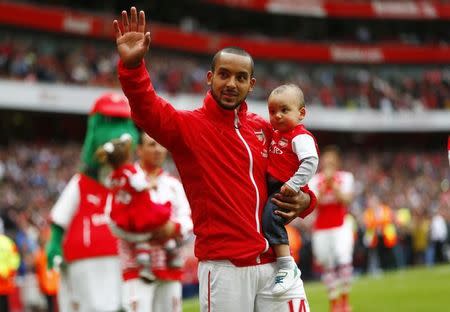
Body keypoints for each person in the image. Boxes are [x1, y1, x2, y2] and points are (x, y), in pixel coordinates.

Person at [114, 7, 317, 312]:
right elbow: (148, 110)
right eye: (224, 74)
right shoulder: (188, 127)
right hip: (224, 270)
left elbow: (282, 177)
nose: (231, 83)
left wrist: (307, 200)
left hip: (277, 266)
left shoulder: (264, 129)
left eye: (240, 77)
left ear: (252, 84)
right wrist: (133, 68)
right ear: (210, 78)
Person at [46, 92, 140, 312]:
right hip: (85, 259)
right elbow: (59, 220)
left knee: (128, 305)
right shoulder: (81, 183)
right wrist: (54, 246)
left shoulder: (132, 180)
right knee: (96, 306)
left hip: (125, 256)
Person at [119, 132, 193, 312]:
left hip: (170, 265)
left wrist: (173, 228)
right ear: (139, 150)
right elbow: (114, 220)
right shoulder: (126, 181)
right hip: (137, 267)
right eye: (152, 145)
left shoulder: (173, 184)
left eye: (161, 145)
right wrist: (143, 230)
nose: (158, 150)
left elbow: (188, 219)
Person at [262, 84, 318, 295]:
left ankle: (287, 265)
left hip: (286, 187)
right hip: (276, 184)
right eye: (272, 111)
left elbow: (310, 162)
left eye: (284, 110)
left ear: (301, 113)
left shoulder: (299, 136)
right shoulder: (277, 134)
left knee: (271, 216)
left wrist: (294, 185)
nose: (277, 116)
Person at [96, 133, 172, 282]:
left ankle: (144, 263)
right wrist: (151, 184)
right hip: (139, 210)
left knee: (139, 239)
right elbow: (140, 184)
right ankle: (170, 248)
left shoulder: (112, 176)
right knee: (157, 220)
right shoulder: (130, 171)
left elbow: (109, 187)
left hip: (123, 213)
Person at [309, 146, 355, 312]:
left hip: (340, 225)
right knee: (326, 264)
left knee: (344, 260)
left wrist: (334, 186)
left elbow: (346, 200)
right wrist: (324, 186)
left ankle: (345, 299)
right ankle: (333, 302)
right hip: (321, 228)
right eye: (326, 161)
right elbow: (315, 204)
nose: (328, 164)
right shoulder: (315, 180)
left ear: (337, 163)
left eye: (331, 161)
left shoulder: (345, 178)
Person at [0, 233, 20, 312]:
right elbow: (15, 259)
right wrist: (11, 272)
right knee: (5, 302)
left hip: (4, 277)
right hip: (6, 276)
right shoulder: (9, 242)